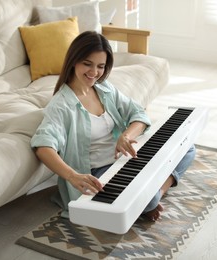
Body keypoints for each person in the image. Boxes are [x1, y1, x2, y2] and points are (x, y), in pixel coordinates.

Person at [30, 31, 196, 222]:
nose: (94, 73)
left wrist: (125, 136)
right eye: (87, 64)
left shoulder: (104, 89)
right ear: (74, 60)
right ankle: (150, 199)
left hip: (126, 159)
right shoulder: (61, 105)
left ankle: (156, 192)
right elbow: (43, 147)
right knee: (144, 198)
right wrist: (73, 176)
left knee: (187, 147)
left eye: (100, 66)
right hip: (100, 172)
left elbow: (138, 114)